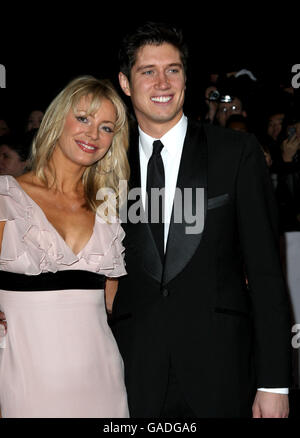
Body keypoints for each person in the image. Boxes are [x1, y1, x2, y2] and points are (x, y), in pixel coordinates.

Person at [111, 22, 291, 418]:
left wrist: (274, 382)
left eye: (172, 69)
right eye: (148, 71)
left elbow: (265, 272)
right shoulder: (105, 161)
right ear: (125, 82)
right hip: (132, 371)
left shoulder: (235, 152)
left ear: (186, 78)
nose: (163, 82)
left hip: (221, 370)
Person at [0, 75, 130, 418]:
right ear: (59, 120)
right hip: (25, 380)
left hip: (103, 379)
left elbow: (111, 305)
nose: (93, 134)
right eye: (84, 118)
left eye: (106, 127)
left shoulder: (107, 208)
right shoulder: (5, 196)